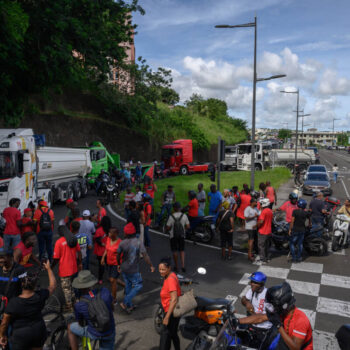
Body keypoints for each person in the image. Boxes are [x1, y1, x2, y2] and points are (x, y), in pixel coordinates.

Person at [0, 260, 56, 350]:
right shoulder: (40, 296)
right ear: (34, 285)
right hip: (38, 332)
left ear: (21, 284)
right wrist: (49, 269)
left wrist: (2, 335)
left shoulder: (13, 303)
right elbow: (52, 286)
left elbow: (4, 323)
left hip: (20, 337)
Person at [68, 270, 116, 350]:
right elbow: (112, 308)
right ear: (92, 283)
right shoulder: (105, 291)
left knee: (70, 327)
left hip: (93, 332)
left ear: (80, 287)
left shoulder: (79, 305)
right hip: (109, 330)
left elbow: (81, 323)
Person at [117, 222, 155, 313]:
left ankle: (129, 306)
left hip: (124, 268)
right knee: (138, 285)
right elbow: (145, 255)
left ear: (126, 233)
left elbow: (118, 255)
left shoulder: (122, 243)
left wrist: (119, 265)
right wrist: (151, 265)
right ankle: (125, 302)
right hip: (133, 269)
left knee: (129, 286)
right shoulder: (138, 242)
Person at [265, 282, 313, 349]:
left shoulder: (301, 320)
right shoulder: (283, 313)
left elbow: (295, 348)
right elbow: (261, 318)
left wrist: (279, 326)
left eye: (274, 306)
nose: (273, 309)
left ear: (283, 305)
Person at [52, 224, 82, 312]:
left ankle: (69, 307)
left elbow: (56, 258)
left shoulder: (59, 242)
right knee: (72, 286)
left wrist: (51, 267)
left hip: (65, 270)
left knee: (66, 289)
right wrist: (80, 263)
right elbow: (79, 252)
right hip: (74, 268)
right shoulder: (73, 239)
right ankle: (76, 302)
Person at [238, 272, 272, 343]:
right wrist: (247, 303)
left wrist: (238, 321)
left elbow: (265, 317)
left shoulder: (269, 296)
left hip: (263, 328)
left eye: (255, 282)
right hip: (252, 323)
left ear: (262, 284)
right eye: (251, 281)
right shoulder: (252, 290)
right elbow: (244, 299)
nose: (251, 284)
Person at [158, 257, 181, 350]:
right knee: (173, 333)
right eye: (160, 269)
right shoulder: (171, 275)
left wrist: (167, 317)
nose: (161, 271)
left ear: (169, 268)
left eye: (163, 269)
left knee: (165, 335)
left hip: (170, 311)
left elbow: (174, 299)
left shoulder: (170, 279)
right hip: (174, 311)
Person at [101, 227, 125, 304]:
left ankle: (114, 299)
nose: (109, 234)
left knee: (112, 281)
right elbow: (106, 249)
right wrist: (103, 257)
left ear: (116, 234)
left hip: (116, 264)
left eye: (111, 233)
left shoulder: (120, 243)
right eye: (109, 232)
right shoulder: (108, 239)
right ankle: (126, 286)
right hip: (108, 263)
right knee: (113, 279)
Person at [165, 202, 190, 273]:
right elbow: (188, 226)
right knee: (182, 250)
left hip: (173, 236)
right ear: (180, 208)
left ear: (174, 208)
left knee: (175, 251)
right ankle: (183, 266)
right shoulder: (184, 216)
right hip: (182, 235)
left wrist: (168, 229)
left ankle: (176, 267)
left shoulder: (171, 216)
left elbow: (167, 227)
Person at [288, 199, 310, 263]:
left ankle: (294, 258)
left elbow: (292, 221)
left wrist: (290, 229)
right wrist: (310, 224)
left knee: (292, 243)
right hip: (302, 230)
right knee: (300, 244)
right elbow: (309, 218)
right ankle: (299, 257)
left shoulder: (295, 211)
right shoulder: (306, 213)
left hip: (295, 230)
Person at [94, 216, 111, 284]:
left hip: (100, 252)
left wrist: (103, 244)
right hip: (109, 251)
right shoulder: (111, 230)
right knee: (109, 265)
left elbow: (98, 241)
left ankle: (100, 279)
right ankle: (110, 277)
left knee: (101, 266)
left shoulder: (99, 230)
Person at [244, 198, 260, 262]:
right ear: (252, 203)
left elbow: (259, 214)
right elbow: (246, 218)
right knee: (251, 241)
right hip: (250, 227)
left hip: (254, 227)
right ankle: (249, 255)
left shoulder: (256, 209)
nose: (256, 203)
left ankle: (253, 252)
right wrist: (254, 216)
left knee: (254, 240)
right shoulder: (247, 209)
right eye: (255, 202)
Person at [257, 198, 273, 264]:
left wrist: (256, 226)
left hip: (263, 231)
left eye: (260, 204)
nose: (260, 205)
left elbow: (261, 221)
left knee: (261, 246)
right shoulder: (270, 210)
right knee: (267, 246)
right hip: (269, 231)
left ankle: (262, 259)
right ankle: (267, 258)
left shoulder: (264, 212)